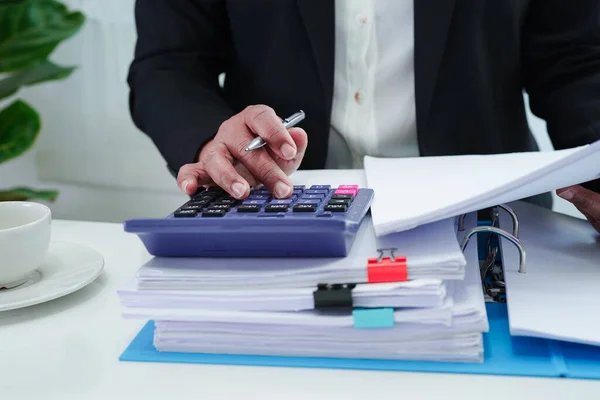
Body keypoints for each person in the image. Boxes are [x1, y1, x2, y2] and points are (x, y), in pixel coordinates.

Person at [127, 0, 600, 233]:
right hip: (276, 206)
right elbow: (170, 64)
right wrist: (214, 143)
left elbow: (577, 62)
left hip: (490, 221)